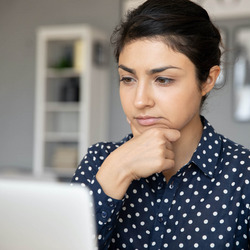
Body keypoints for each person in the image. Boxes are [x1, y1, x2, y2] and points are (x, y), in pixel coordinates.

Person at [71, 0, 250, 249]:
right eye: (128, 78)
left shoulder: (243, 175)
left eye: (163, 79)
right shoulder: (100, 162)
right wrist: (117, 171)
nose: (140, 100)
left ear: (208, 80)